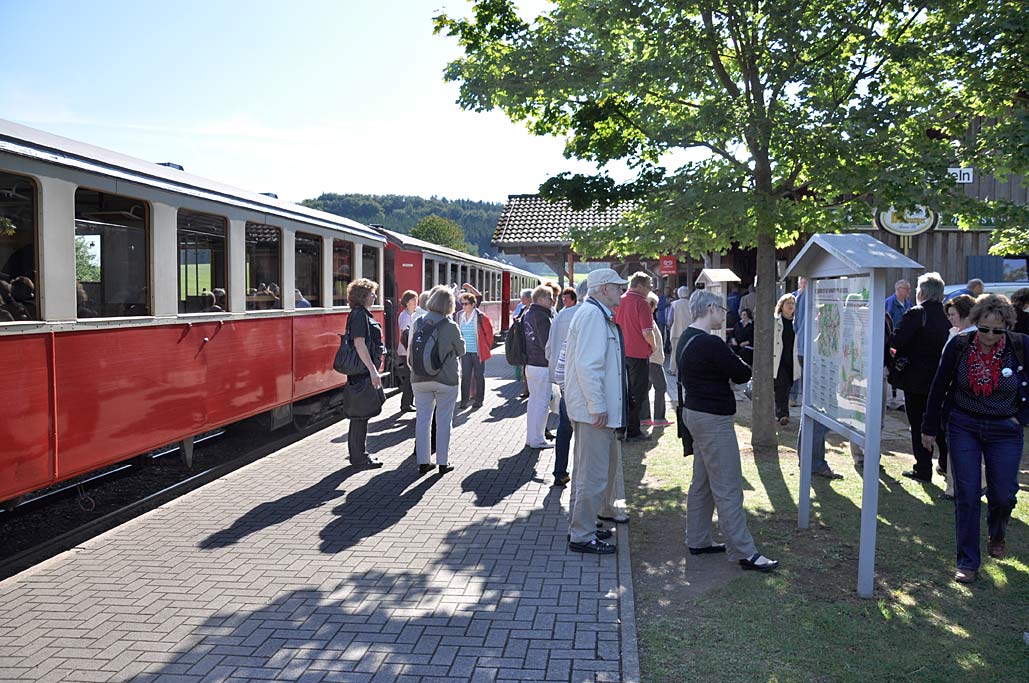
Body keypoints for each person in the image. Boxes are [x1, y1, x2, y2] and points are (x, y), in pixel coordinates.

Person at [921, 294, 1025, 584]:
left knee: (1003, 494)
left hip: (1005, 429)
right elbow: (939, 386)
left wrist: (1021, 418)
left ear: (1007, 327)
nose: (990, 336)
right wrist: (929, 427)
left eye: (997, 330)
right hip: (964, 425)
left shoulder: (1020, 346)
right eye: (984, 328)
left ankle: (997, 532)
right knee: (966, 494)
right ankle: (967, 562)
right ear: (975, 323)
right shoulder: (960, 345)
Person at [678, 289, 778, 571]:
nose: (725, 315)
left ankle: (698, 539)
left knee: (702, 482)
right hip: (713, 420)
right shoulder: (711, 343)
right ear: (710, 308)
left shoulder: (687, 337)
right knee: (728, 487)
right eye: (722, 310)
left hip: (695, 414)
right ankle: (745, 552)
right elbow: (742, 372)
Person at [564, 268, 629, 554]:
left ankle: (582, 526)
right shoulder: (593, 315)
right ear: (603, 289)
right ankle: (582, 534)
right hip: (593, 413)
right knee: (592, 475)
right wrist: (598, 406)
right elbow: (589, 366)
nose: (621, 293)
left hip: (591, 411)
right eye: (617, 287)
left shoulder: (593, 313)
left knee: (586, 473)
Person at [891, 272, 951, 482]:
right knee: (939, 423)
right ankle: (945, 464)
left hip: (916, 379)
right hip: (942, 377)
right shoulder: (948, 315)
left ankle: (923, 468)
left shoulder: (917, 313)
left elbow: (898, 341)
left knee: (918, 423)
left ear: (922, 292)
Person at [410, 285, 466, 474]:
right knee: (443, 421)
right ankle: (443, 463)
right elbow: (461, 350)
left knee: (422, 420)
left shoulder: (418, 322)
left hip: (419, 378)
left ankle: (423, 462)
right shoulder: (450, 326)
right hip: (446, 380)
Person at [940, 294, 984, 499]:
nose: (950, 318)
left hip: (966, 399)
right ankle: (955, 486)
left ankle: (969, 485)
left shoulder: (973, 337)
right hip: (953, 396)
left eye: (953, 314)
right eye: (948, 314)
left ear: (965, 314)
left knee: (963, 445)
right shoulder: (955, 333)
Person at [343, 278, 385, 469]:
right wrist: (372, 370)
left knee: (360, 415)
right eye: (371, 293)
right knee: (360, 416)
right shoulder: (360, 315)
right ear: (363, 296)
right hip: (362, 372)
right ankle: (359, 457)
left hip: (361, 371)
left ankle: (358, 455)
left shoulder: (359, 314)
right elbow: (359, 343)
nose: (374, 296)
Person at [615, 271, 656, 440]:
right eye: (648, 287)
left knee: (621, 392)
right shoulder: (642, 303)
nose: (649, 290)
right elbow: (647, 332)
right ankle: (633, 430)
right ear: (639, 286)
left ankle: (620, 428)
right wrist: (653, 346)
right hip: (638, 353)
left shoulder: (618, 300)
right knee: (638, 392)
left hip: (620, 352)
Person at [546, 286, 580, 486]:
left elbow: (549, 348)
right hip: (578, 381)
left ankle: (560, 471)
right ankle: (580, 474)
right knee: (581, 431)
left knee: (564, 427)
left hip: (563, 378)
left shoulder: (559, 317)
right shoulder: (585, 317)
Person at [523, 285, 555, 449]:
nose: (552, 301)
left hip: (530, 363)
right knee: (542, 403)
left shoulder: (528, 314)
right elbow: (546, 344)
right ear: (541, 299)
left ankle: (531, 438)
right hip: (542, 365)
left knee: (533, 402)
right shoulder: (542, 316)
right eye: (550, 298)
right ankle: (538, 439)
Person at [456, 291, 494, 409]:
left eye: (466, 304)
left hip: (478, 352)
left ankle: (479, 400)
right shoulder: (459, 316)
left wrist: (485, 347)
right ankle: (464, 400)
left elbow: (489, 334)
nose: (464, 306)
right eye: (462, 304)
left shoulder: (481, 317)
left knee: (479, 376)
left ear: (473, 304)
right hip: (465, 352)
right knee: (465, 376)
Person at [640, 292, 671, 427]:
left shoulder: (645, 319)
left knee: (646, 388)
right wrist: (653, 348)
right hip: (653, 359)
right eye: (655, 305)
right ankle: (659, 418)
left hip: (648, 359)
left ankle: (645, 417)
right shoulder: (648, 320)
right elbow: (649, 337)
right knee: (661, 387)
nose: (656, 308)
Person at [773, 293, 801, 425]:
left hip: (792, 359)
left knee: (787, 386)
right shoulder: (775, 321)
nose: (791, 306)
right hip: (778, 359)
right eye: (788, 303)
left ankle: (780, 412)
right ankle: (783, 414)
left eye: (793, 303)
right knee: (781, 386)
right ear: (781, 305)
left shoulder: (798, 321)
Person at [396, 289, 419, 413]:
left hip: (409, 351)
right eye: (413, 300)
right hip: (406, 351)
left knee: (411, 379)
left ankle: (409, 402)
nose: (416, 302)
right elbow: (405, 335)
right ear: (407, 302)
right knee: (409, 379)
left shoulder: (411, 314)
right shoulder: (405, 316)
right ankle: (405, 404)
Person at [668, 285, 692, 374]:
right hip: (689, 331)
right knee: (688, 350)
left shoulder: (674, 304)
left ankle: (673, 369)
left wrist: (669, 326)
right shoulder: (691, 303)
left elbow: (670, 319)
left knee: (675, 350)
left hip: (676, 331)